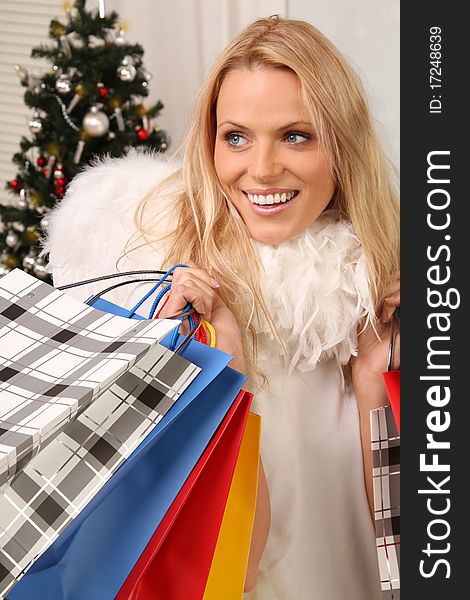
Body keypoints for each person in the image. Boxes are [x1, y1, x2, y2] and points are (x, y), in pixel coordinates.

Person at [45, 16, 400, 599]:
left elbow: (415, 551)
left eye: (296, 135)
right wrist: (220, 375)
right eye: (236, 136)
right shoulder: (161, 297)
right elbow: (215, 571)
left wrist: (371, 381)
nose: (260, 169)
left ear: (342, 145)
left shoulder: (382, 294)